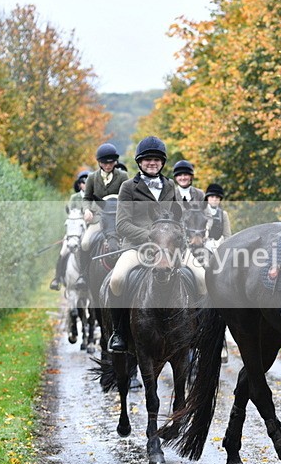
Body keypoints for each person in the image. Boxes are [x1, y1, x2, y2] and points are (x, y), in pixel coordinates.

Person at [107, 136, 207, 353]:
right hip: (136, 246)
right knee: (116, 279)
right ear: (139, 162)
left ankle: (199, 330)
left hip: (170, 246)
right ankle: (120, 332)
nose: (152, 163)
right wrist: (151, 237)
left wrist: (174, 237)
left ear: (162, 162)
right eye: (147, 160)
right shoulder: (127, 187)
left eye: (156, 160)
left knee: (201, 278)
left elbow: (179, 218)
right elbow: (122, 224)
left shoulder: (170, 185)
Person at [76, 142, 129, 288]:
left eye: (111, 162)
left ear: (115, 162)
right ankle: (84, 275)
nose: (108, 165)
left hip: (118, 218)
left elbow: (128, 197)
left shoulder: (123, 176)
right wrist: (87, 210)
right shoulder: (92, 178)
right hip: (98, 218)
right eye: (104, 163)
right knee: (85, 242)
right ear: (99, 162)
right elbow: (87, 197)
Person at [49, 170, 90, 291]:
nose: (85, 184)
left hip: (89, 230)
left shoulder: (94, 197)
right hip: (75, 231)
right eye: (83, 182)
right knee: (63, 252)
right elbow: (70, 216)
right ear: (79, 185)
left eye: (88, 181)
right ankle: (57, 278)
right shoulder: (74, 198)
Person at [204, 182, 232, 249]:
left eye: (217, 197)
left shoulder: (223, 214)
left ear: (220, 199)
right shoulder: (201, 212)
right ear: (207, 198)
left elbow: (227, 235)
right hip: (203, 245)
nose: (214, 199)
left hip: (218, 246)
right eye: (212, 197)